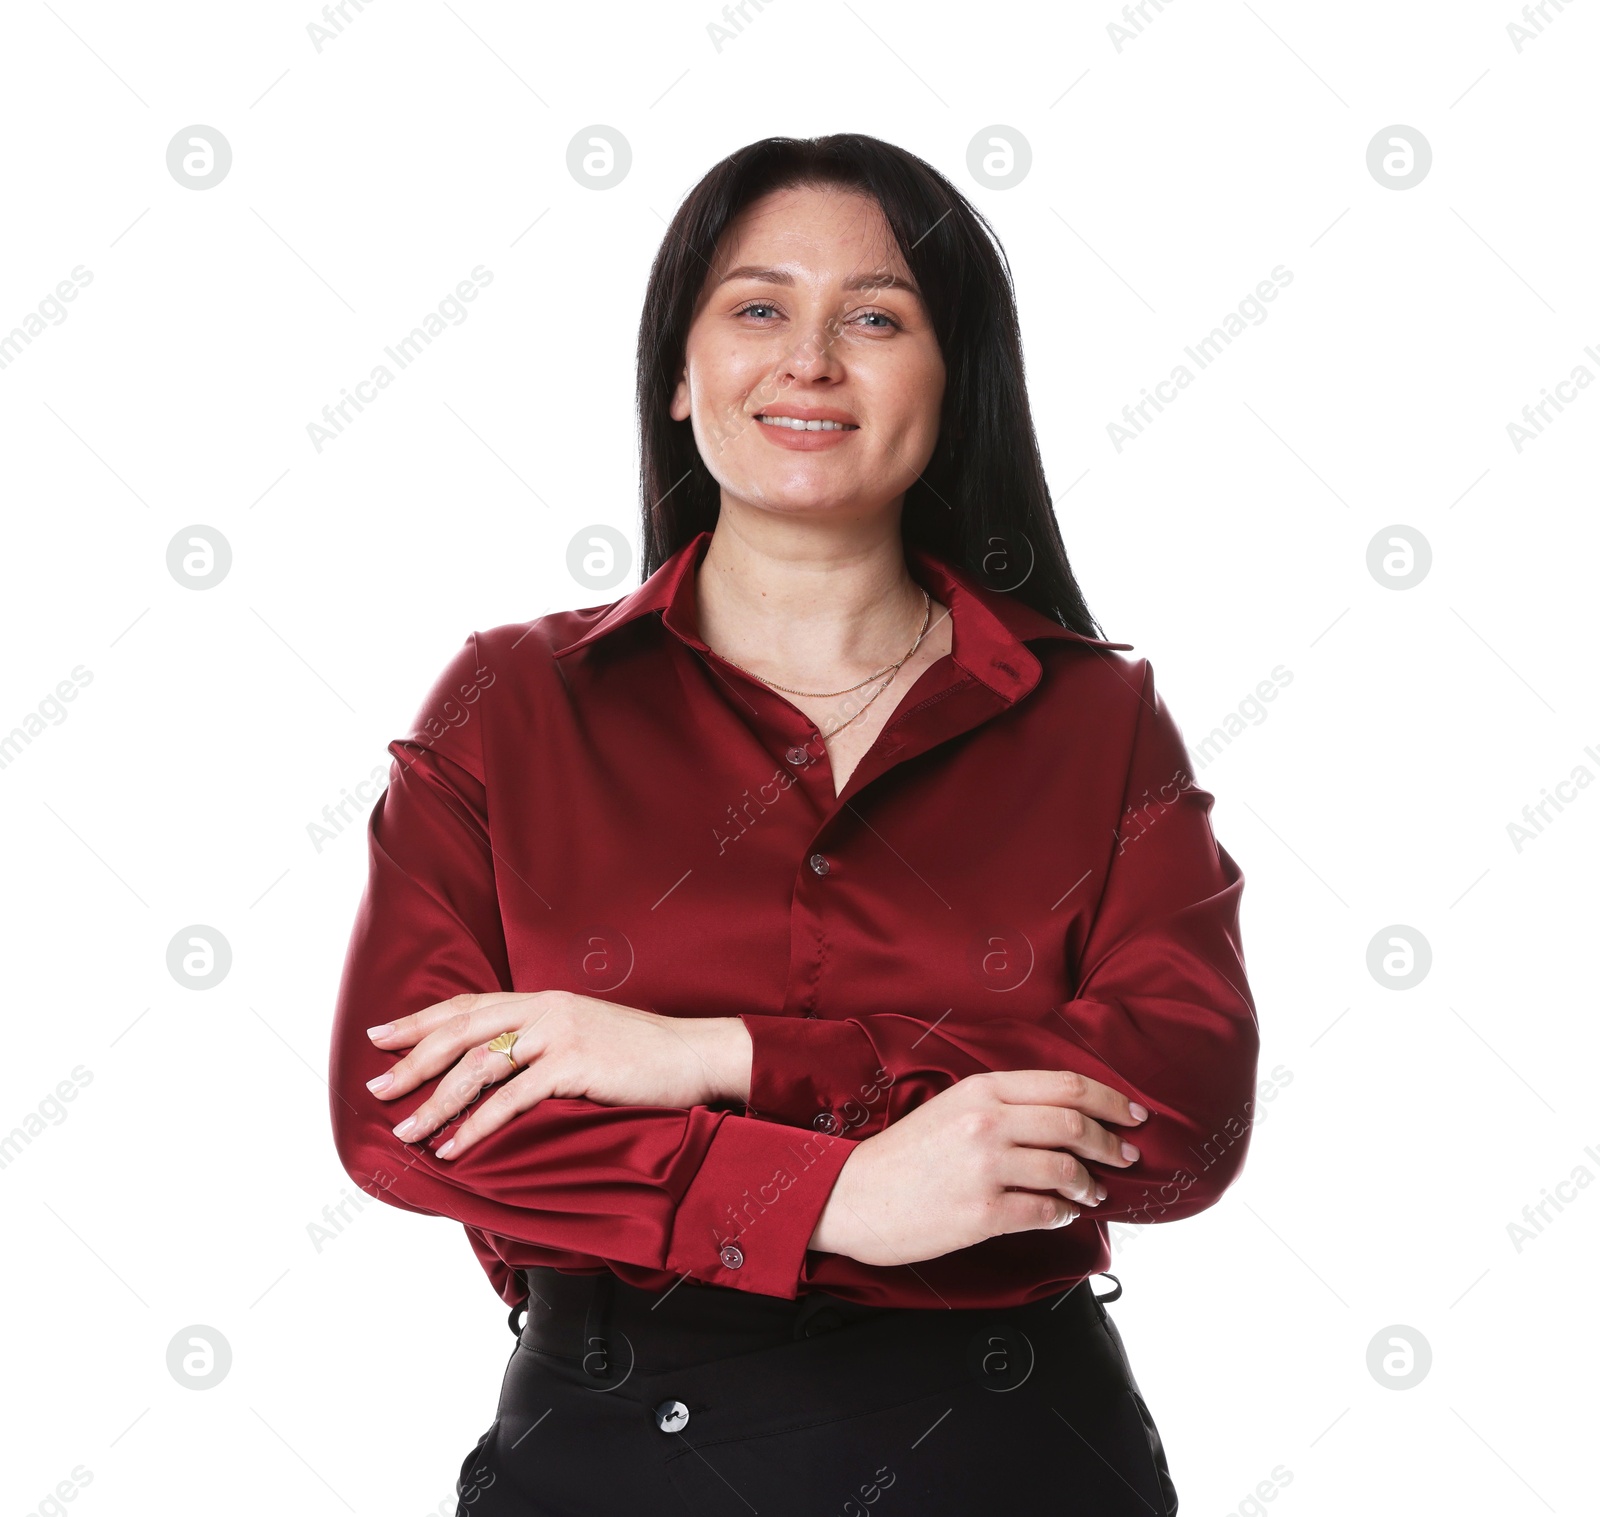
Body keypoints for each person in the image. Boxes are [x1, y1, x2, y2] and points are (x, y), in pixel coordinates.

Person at [327, 133, 1259, 1516]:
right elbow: (409, 1119)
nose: (810, 359)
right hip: (615, 1463)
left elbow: (1179, 1113)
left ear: (956, 378)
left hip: (1011, 1458)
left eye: (875, 317)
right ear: (679, 371)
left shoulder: (1094, 718)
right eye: (758, 308)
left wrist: (698, 1054)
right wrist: (836, 1197)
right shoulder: (512, 702)